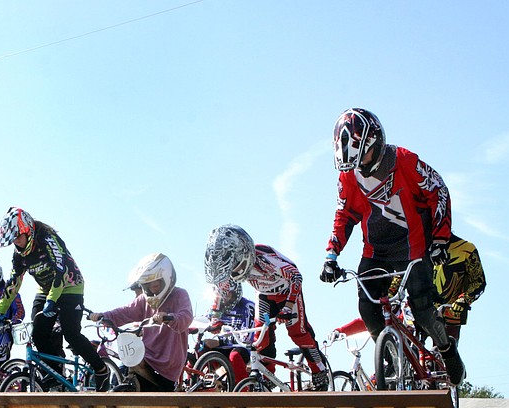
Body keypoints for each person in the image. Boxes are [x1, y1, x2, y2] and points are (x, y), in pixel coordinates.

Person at [319, 107, 465, 386]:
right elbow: (344, 215)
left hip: (414, 247)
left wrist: (440, 239)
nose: (358, 165)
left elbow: (439, 192)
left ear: (375, 143)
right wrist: (331, 255)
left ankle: (447, 351)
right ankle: (388, 358)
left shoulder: (405, 161)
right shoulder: (349, 176)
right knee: (367, 308)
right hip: (375, 251)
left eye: (362, 156)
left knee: (422, 310)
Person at [0, 207, 110, 389]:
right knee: (38, 333)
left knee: (71, 334)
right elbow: (14, 282)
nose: (17, 243)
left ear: (28, 230)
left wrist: (52, 301)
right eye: (13, 240)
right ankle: (55, 372)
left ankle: (101, 369)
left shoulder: (47, 239)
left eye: (18, 237)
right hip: (46, 290)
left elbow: (60, 271)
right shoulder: (18, 255)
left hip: (70, 286)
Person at [205, 224, 330, 389]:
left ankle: (319, 371)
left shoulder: (264, 259)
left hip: (287, 293)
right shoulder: (232, 268)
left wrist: (287, 307)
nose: (235, 273)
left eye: (236, 267)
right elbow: (221, 288)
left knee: (298, 333)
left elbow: (296, 277)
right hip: (264, 295)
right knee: (261, 337)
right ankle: (268, 375)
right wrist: (216, 317)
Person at [88, 253, 193, 392]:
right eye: (147, 286)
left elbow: (185, 317)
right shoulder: (144, 299)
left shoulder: (179, 294)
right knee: (122, 373)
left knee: (158, 401)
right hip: (145, 355)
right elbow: (125, 311)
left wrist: (169, 317)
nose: (152, 289)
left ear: (166, 278)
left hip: (167, 363)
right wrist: (103, 316)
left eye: (155, 284)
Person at [433, 233, 486, 343]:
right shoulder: (419, 247)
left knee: (446, 353)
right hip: (420, 308)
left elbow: (478, 282)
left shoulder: (467, 249)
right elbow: (402, 274)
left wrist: (465, 299)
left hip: (451, 314)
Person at [202, 281, 256, 384]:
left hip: (242, 347)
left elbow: (246, 337)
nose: (225, 298)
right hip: (222, 347)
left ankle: (243, 391)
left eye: (228, 294)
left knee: (235, 356)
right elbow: (205, 321)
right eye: (221, 295)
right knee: (201, 348)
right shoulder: (218, 306)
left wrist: (220, 341)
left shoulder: (248, 306)